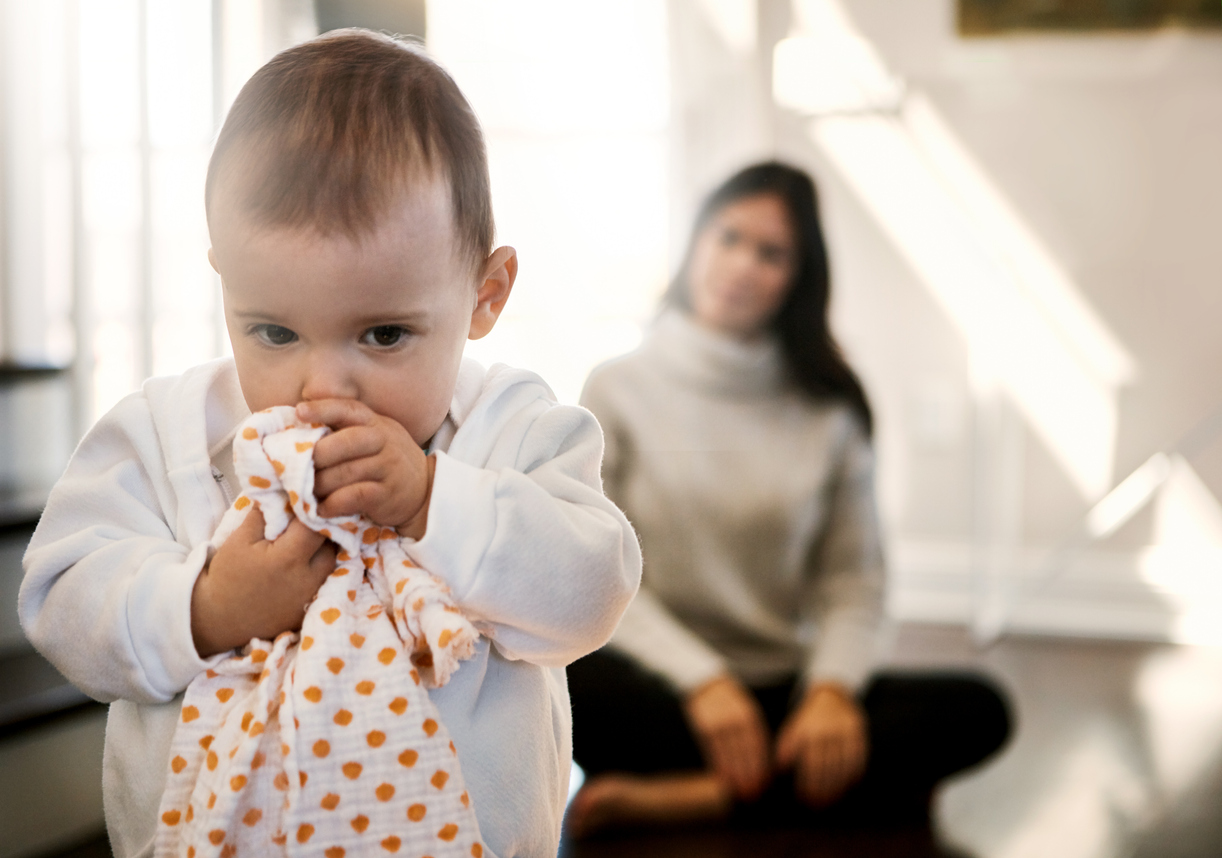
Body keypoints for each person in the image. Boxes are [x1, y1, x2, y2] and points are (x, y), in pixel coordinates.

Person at [19, 30, 641, 858]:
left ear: (484, 295)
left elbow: (593, 590)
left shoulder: (513, 430)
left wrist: (432, 500)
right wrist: (202, 609)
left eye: (383, 334)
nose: (322, 388)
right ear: (225, 284)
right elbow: (61, 601)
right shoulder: (166, 435)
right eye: (273, 330)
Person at [567, 162, 1010, 837]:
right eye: (729, 237)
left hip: (785, 688)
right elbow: (593, 569)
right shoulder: (616, 387)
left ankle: (709, 798)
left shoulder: (829, 409)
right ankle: (821, 789)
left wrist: (832, 691)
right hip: (660, 684)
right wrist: (703, 680)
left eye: (771, 253)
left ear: (798, 280)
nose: (742, 265)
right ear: (695, 242)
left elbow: (853, 583)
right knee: (549, 679)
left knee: (980, 710)